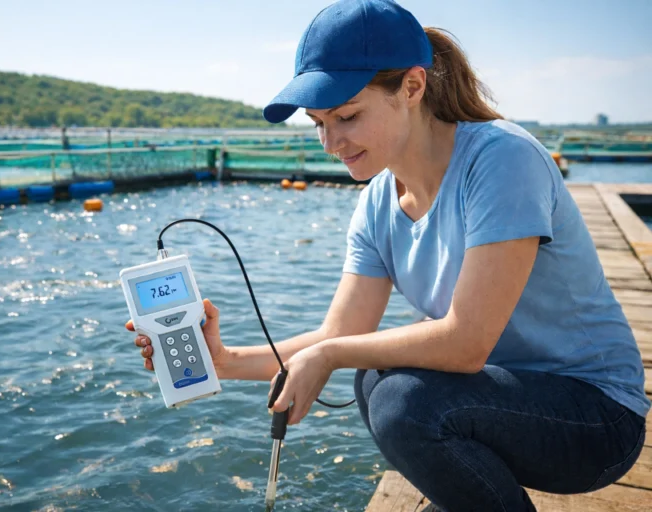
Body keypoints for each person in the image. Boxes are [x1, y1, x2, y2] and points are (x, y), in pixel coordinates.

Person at [127, 1, 649, 510]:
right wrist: (221, 361)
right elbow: (338, 334)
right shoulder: (377, 201)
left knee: (402, 402)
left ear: (412, 87)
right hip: (502, 402)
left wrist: (332, 355)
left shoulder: (502, 159)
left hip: (596, 418)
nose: (330, 142)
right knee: (375, 378)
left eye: (347, 116)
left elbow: (465, 345)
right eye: (317, 123)